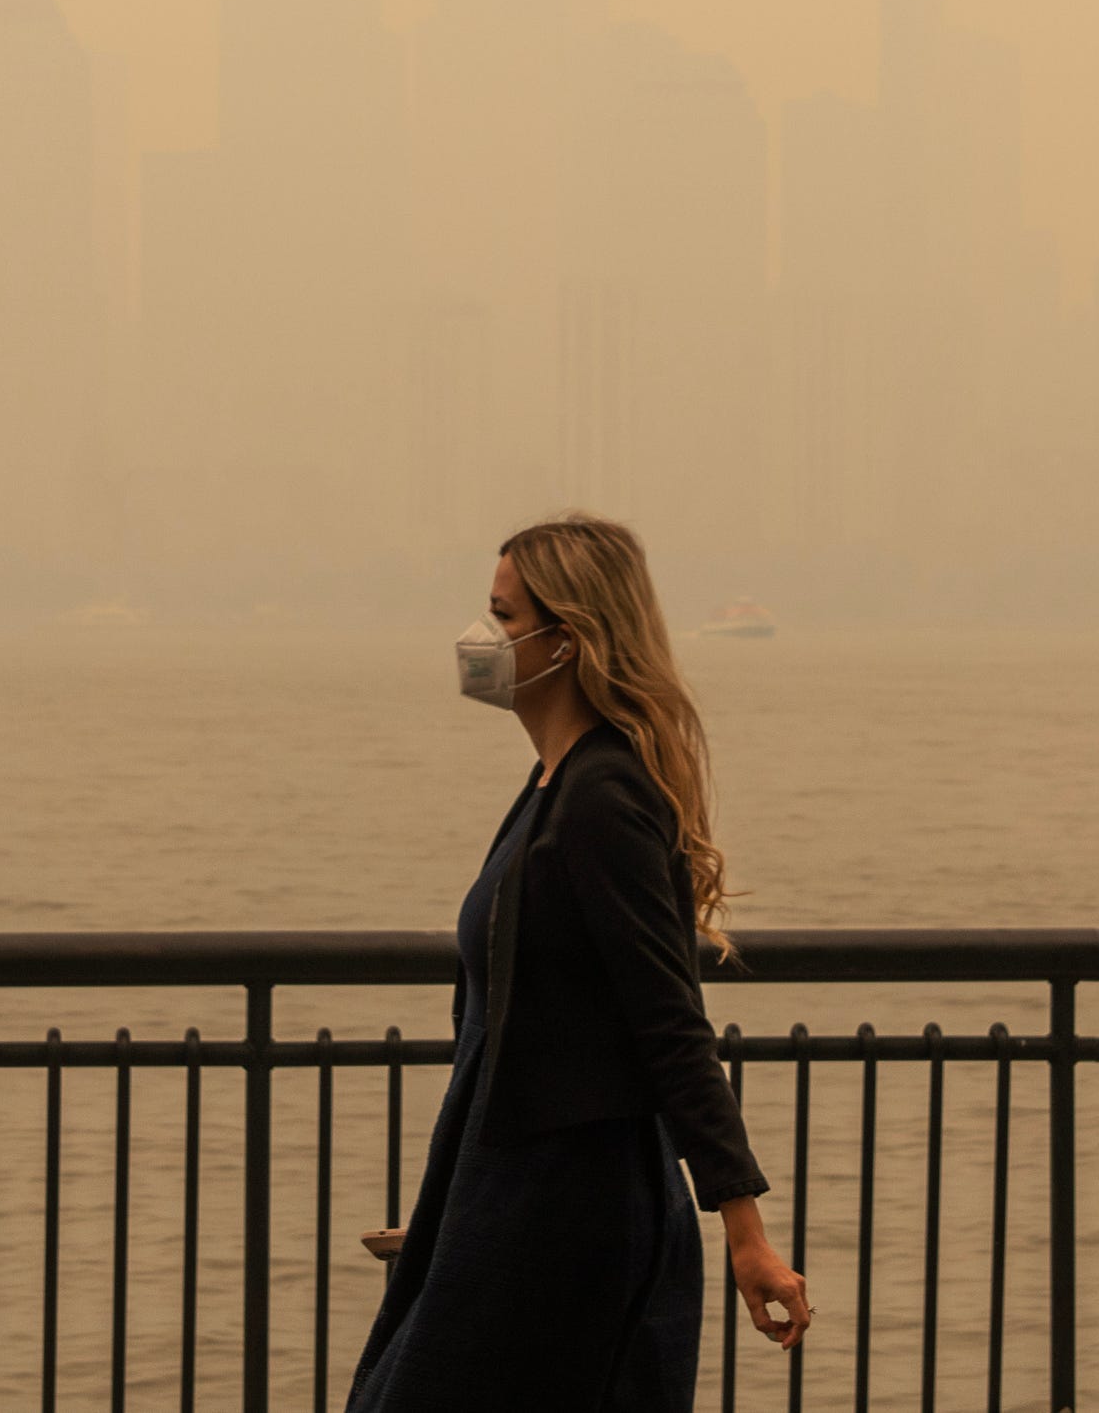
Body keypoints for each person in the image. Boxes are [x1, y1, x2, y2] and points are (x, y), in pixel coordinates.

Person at [344, 516, 812, 1413]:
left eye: (503, 615)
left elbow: (669, 1023)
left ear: (568, 640)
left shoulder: (602, 796)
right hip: (510, 1198)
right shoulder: (553, 785)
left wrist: (745, 1235)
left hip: (569, 1214)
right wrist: (452, 1207)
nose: (481, 638)